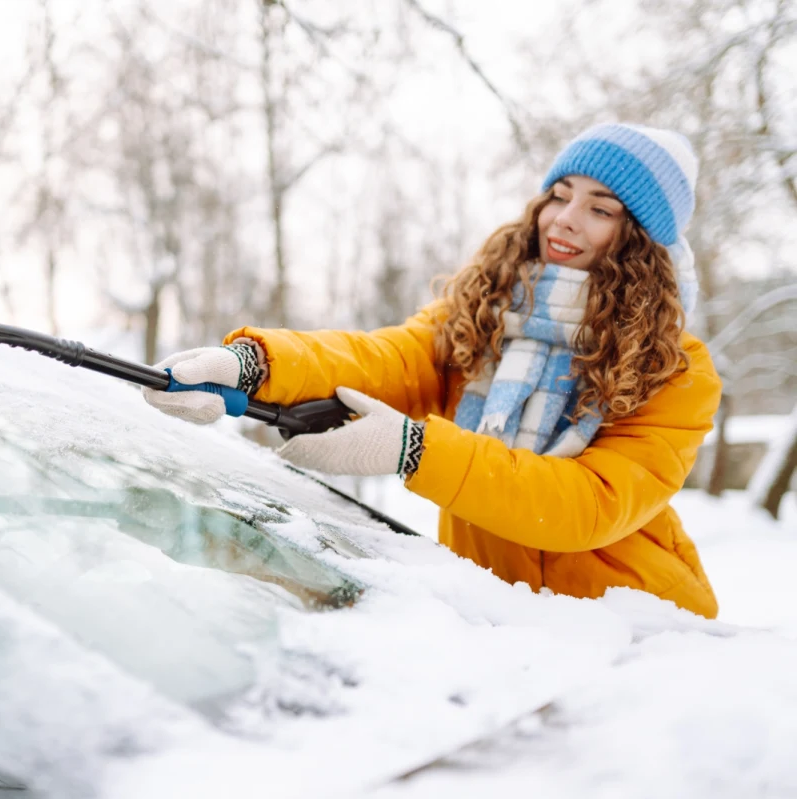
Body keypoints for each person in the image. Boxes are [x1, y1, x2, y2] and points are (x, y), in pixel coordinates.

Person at [143, 123, 721, 619]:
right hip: (500, 616)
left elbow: (589, 506)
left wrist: (415, 450)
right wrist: (253, 365)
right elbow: (385, 359)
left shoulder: (674, 368)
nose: (564, 220)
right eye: (559, 195)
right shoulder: (482, 314)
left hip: (635, 629)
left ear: (643, 239)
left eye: (600, 209)